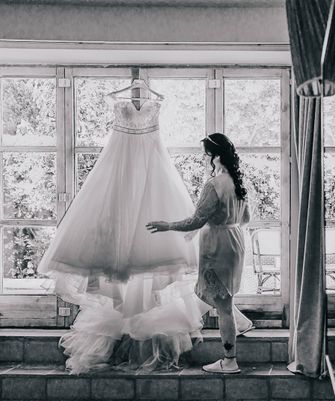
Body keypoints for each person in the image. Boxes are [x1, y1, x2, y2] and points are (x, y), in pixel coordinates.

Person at [39, 83, 210, 373]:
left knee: (146, 252)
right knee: (120, 243)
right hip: (120, 170)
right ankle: (124, 331)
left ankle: (139, 329)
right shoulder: (122, 105)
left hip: (152, 174)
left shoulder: (155, 104)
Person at [147, 133, 251, 374]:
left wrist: (168, 225)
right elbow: (246, 219)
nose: (206, 160)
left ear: (214, 157)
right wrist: (226, 223)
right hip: (235, 242)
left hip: (217, 247)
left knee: (221, 304)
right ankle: (241, 323)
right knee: (221, 295)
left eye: (206, 155)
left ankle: (229, 359)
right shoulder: (239, 183)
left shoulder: (214, 185)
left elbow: (196, 220)